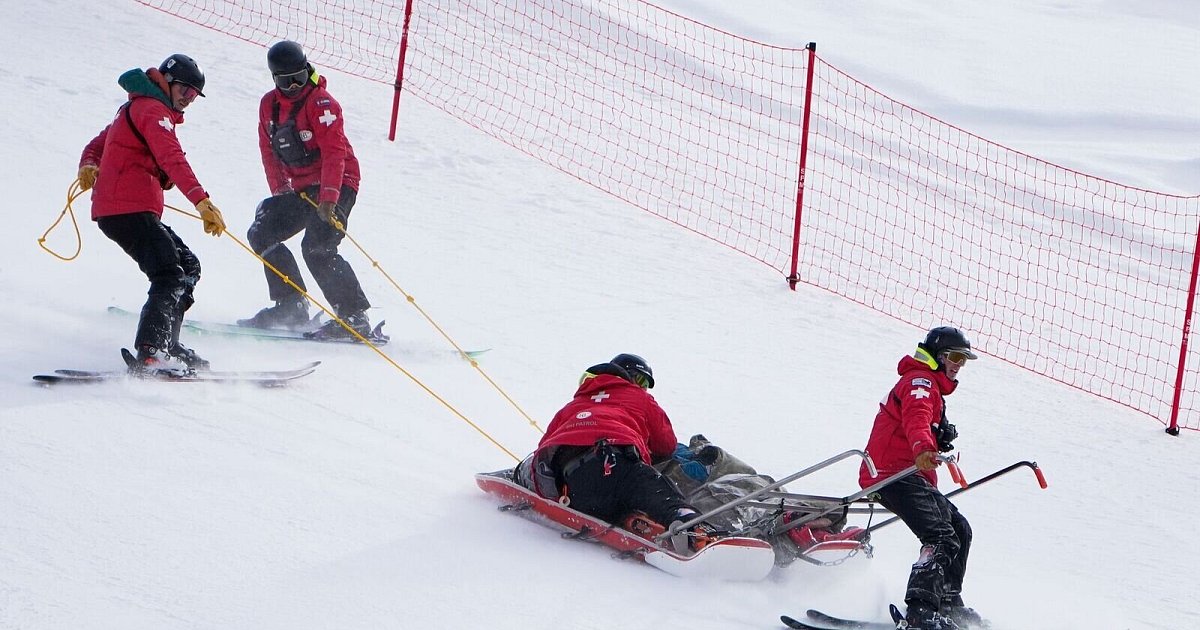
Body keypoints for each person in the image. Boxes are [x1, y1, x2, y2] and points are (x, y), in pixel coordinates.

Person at [77, 54, 226, 373]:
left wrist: (89, 164)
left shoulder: (136, 108)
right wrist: (202, 202)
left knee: (187, 265)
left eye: (193, 96)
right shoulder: (152, 110)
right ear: (167, 82)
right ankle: (152, 350)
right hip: (126, 210)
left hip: (130, 210)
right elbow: (172, 158)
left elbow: (97, 145)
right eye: (184, 90)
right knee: (169, 273)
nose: (187, 100)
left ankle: (166, 344)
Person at [238, 40, 372, 341]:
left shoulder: (322, 104)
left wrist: (328, 199)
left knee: (317, 245)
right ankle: (290, 304)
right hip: (301, 188)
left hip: (337, 182)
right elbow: (268, 151)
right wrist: (280, 191)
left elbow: (335, 153)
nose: (294, 85)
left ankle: (354, 318)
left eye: (300, 76)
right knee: (262, 231)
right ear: (275, 79)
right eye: (286, 81)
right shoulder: (268, 105)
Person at [516, 353, 712, 553]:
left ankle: (631, 517)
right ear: (625, 375)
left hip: (570, 487)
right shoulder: (640, 398)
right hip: (615, 465)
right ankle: (689, 524)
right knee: (652, 487)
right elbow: (666, 444)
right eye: (639, 379)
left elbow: (545, 446)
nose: (641, 386)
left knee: (622, 494)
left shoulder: (572, 406)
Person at [859, 326, 985, 630]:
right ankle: (921, 609)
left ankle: (947, 601)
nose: (958, 365)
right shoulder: (921, 382)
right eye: (954, 357)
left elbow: (920, 422)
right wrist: (924, 447)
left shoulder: (932, 388)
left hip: (910, 474)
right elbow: (915, 417)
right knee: (941, 536)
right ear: (938, 357)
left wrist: (938, 436)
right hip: (892, 474)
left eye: (963, 360)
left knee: (960, 528)